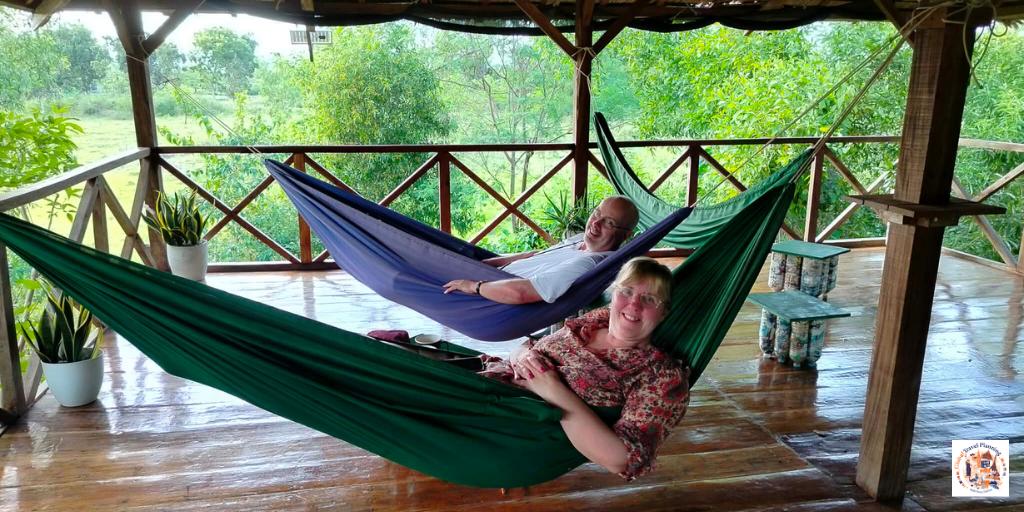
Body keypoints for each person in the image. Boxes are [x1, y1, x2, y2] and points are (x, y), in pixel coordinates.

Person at [477, 257, 690, 480]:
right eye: (626, 291)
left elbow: (622, 459)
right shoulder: (595, 320)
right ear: (613, 294)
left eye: (649, 299)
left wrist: (552, 390)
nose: (634, 304)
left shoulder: (659, 375)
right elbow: (526, 346)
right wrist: (524, 356)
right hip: (480, 377)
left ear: (664, 313)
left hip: (499, 419)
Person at [442, 196, 640, 304]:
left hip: (487, 296)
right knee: (438, 248)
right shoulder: (581, 239)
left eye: (609, 223)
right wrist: (488, 263)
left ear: (626, 235)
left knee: (416, 256)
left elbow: (522, 294)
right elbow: (537, 255)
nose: (595, 223)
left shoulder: (588, 263)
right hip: (486, 275)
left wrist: (474, 286)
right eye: (596, 213)